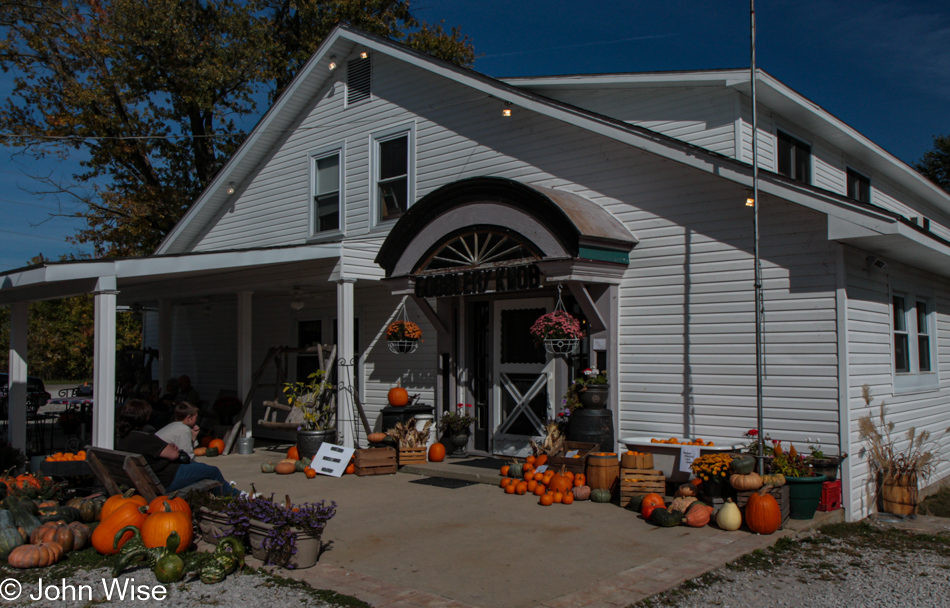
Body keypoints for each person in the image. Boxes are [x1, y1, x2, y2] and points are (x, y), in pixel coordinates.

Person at [116, 399, 240, 496]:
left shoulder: (123, 438)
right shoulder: (146, 438)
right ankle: (237, 497)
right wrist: (173, 448)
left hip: (149, 479)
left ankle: (228, 493)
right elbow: (174, 455)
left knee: (203, 470)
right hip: (167, 479)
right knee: (212, 471)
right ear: (143, 418)